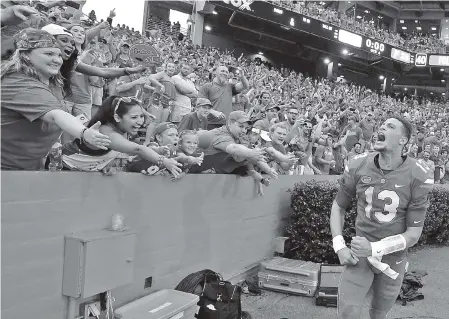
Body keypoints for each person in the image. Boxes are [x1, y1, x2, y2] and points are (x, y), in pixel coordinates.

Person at [330, 115, 434, 319]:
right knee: (347, 311)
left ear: (403, 140)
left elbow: (413, 233)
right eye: (382, 123)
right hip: (360, 253)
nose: (382, 126)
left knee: (379, 314)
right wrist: (339, 245)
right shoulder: (359, 164)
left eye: (390, 126)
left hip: (393, 256)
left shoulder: (418, 174)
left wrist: (376, 248)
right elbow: (338, 207)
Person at [1, 28, 110, 171]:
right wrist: (84, 133)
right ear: (25, 55)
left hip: (29, 168)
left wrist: (90, 155)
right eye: (49, 54)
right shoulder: (17, 82)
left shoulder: (52, 82)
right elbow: (56, 115)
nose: (57, 60)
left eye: (59, 55)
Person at [61, 96, 181, 177]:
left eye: (141, 116)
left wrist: (106, 164)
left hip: (84, 176)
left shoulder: (122, 128)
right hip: (63, 171)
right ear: (117, 117)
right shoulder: (105, 132)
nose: (140, 121)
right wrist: (164, 161)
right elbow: (137, 149)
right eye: (134, 117)